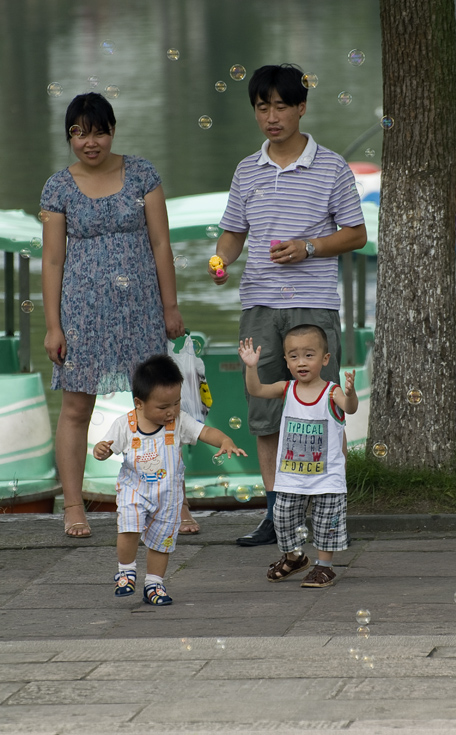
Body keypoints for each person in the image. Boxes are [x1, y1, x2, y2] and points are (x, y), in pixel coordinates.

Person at [209, 63, 367, 547]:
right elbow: (233, 234)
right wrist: (220, 259)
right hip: (258, 304)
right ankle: (278, 514)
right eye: (262, 107)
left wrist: (309, 247)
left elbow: (357, 234)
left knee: (321, 409)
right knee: (265, 411)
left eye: (281, 106)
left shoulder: (332, 166)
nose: (272, 116)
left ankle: (327, 509)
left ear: (301, 107)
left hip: (313, 306)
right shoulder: (246, 169)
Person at [40, 92, 185, 540]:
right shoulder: (58, 187)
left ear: (112, 130)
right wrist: (53, 325)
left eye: (99, 131)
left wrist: (170, 306)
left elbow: (161, 243)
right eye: (79, 133)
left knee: (160, 406)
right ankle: (73, 506)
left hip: (140, 306)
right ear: (70, 137)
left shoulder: (142, 173)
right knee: (76, 407)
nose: (90, 142)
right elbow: (52, 261)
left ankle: (174, 503)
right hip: (82, 311)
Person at [93, 354, 247, 604]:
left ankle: (154, 584)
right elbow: (106, 448)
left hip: (168, 497)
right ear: (139, 403)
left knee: (161, 543)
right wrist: (101, 450)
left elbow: (205, 431)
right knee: (129, 527)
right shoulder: (125, 425)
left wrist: (225, 440)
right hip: (135, 491)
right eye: (163, 407)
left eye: (175, 403)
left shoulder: (179, 422)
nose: (171, 412)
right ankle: (126, 571)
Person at [238, 325, 358, 587]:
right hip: (292, 475)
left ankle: (324, 567)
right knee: (283, 517)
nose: (301, 362)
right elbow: (257, 389)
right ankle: (294, 558)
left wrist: (350, 393)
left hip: (327, 476)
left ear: (325, 359)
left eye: (309, 355)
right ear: (286, 361)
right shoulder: (287, 388)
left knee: (327, 523)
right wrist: (250, 366)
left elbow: (350, 408)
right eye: (293, 356)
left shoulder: (332, 391)